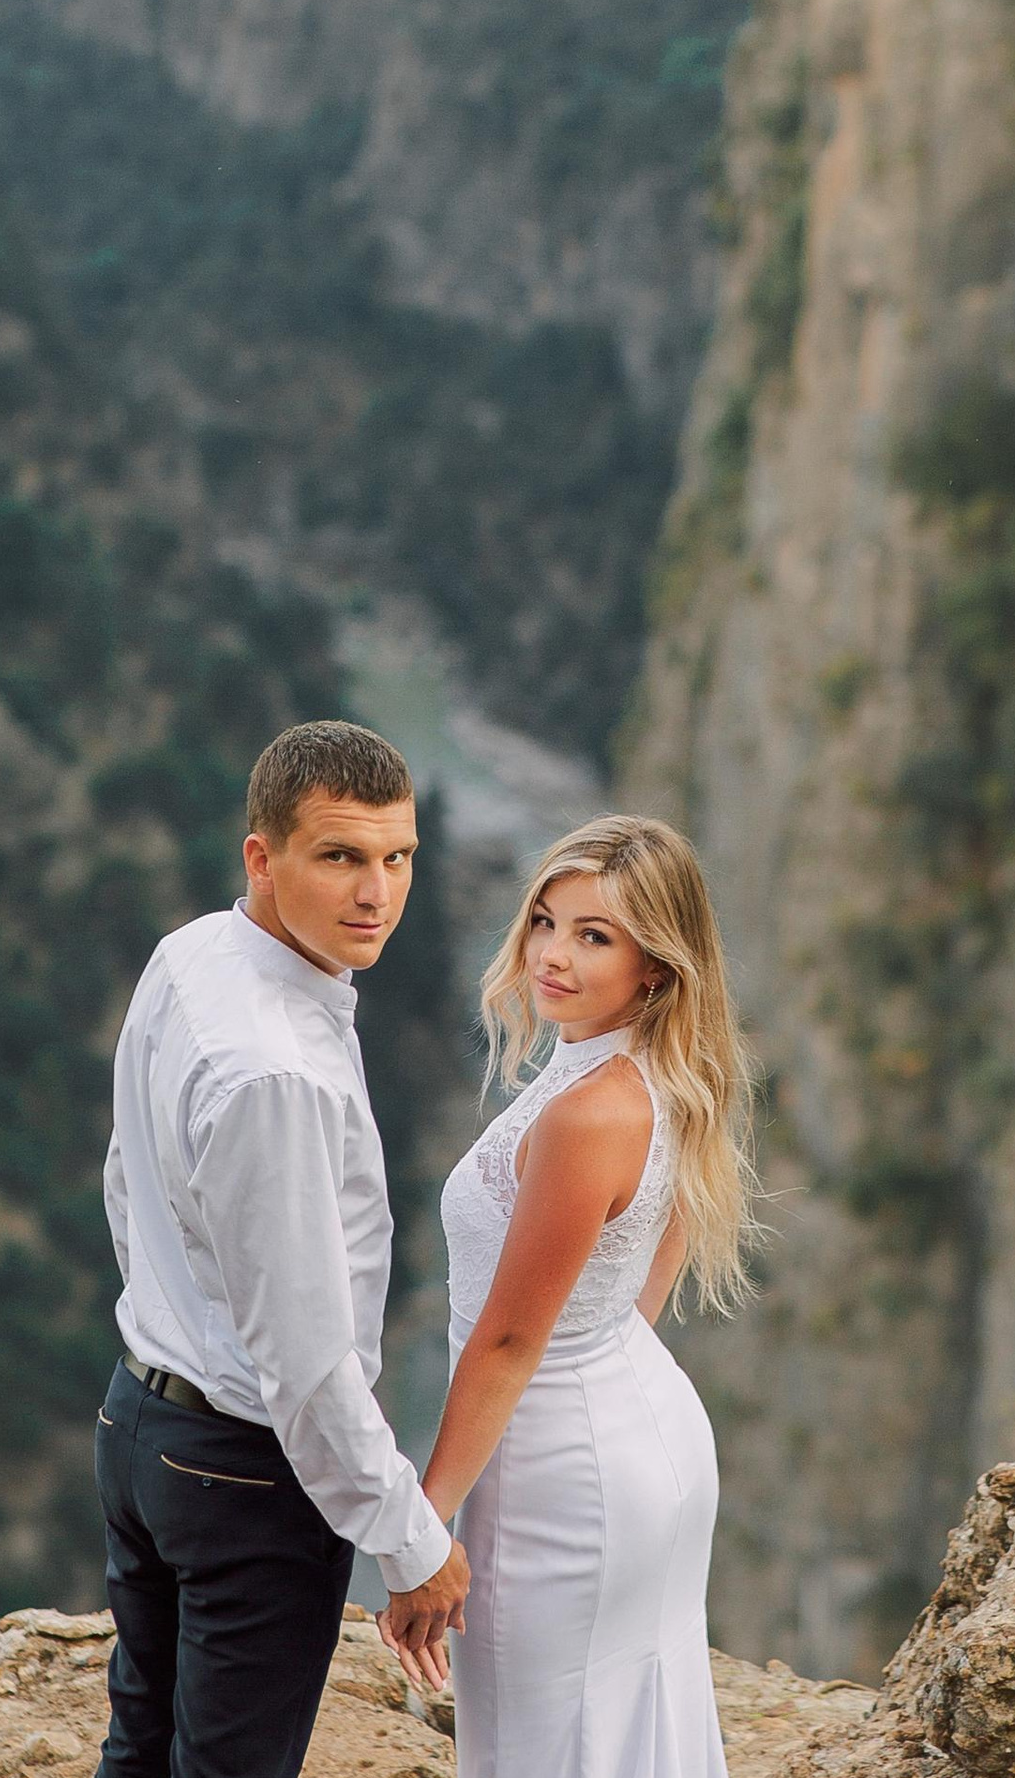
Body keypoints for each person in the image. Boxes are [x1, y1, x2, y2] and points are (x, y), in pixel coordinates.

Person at [95, 720, 470, 1778]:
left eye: (398, 857)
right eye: (340, 856)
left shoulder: (190, 955)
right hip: (244, 1472)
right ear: (262, 857)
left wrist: (177, 1317)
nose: (377, 893)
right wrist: (410, 1540)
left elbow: (126, 1180)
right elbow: (307, 1366)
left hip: (139, 1419)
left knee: (140, 1749)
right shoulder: (278, 1074)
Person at [385, 814, 761, 1777]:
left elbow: (510, 1343)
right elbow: (649, 1262)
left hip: (558, 1468)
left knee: (539, 1744)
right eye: (547, 920)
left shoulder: (590, 1113)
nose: (552, 954)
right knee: (631, 1723)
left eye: (595, 936)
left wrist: (419, 1533)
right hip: (638, 1426)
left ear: (655, 966)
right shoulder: (663, 1074)